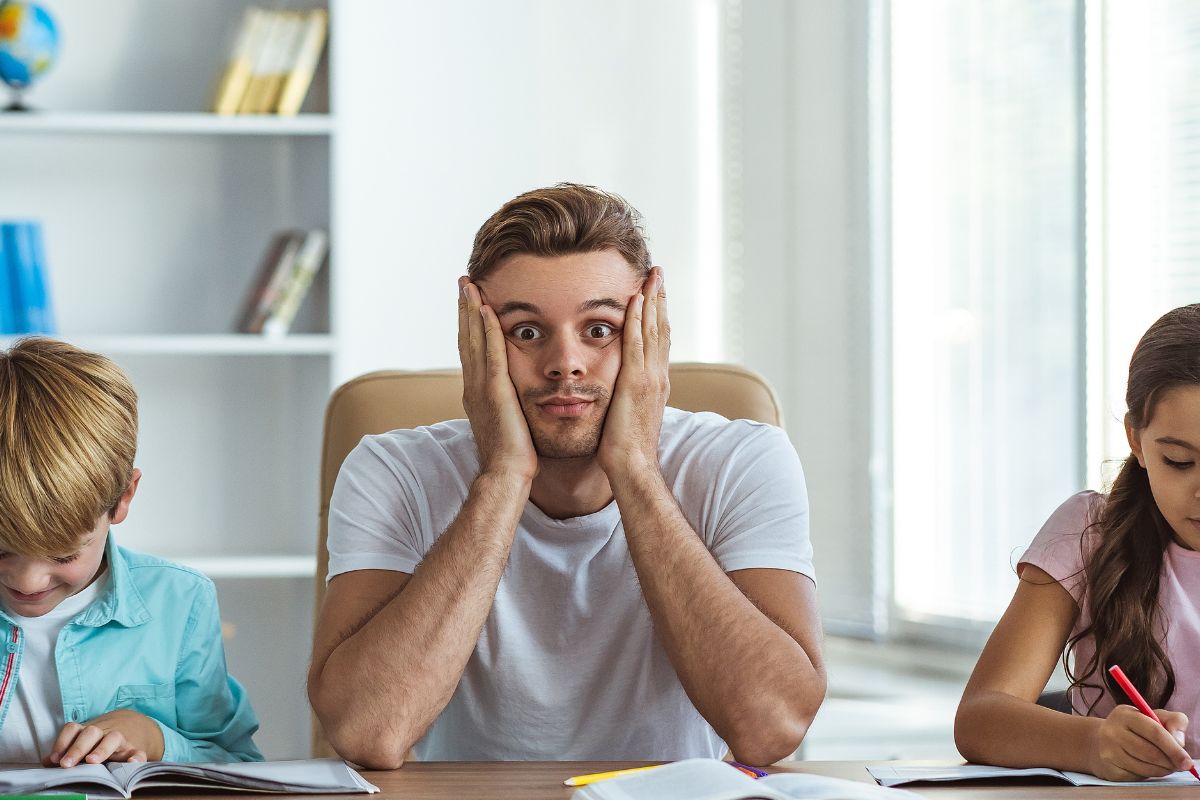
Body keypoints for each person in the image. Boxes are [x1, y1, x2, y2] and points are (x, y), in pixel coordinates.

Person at [308, 183, 825, 768]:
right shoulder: (392, 469)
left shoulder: (742, 459)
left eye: (599, 329)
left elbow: (770, 728)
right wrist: (503, 476)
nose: (565, 364)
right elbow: (367, 731)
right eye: (526, 332)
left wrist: (635, 467)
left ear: (651, 334)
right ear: (474, 341)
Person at [956, 303, 1200, 781]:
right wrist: (1092, 742)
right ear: (1136, 440)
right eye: (1179, 461)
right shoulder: (1090, 532)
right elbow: (980, 718)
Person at [0, 338, 262, 766]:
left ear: (123, 498)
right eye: (1, 551)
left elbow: (238, 764)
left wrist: (155, 738)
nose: (27, 581)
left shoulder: (179, 602)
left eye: (63, 555)